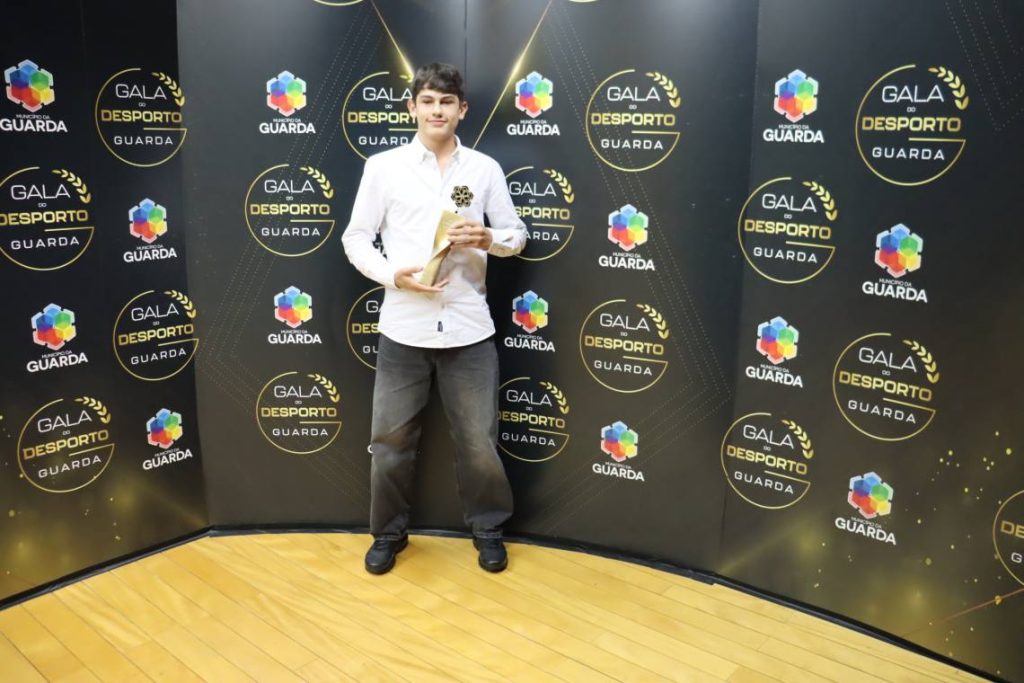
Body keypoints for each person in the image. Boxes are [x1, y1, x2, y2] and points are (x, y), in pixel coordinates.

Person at [341, 62, 527, 575]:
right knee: (390, 443)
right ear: (413, 108)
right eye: (427, 101)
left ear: (461, 110)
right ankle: (388, 534)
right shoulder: (384, 167)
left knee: (479, 443)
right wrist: (393, 276)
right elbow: (356, 237)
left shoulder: (484, 169)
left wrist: (489, 238)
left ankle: (488, 530)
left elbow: (516, 235)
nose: (437, 110)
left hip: (468, 327)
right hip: (404, 326)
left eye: (447, 102)